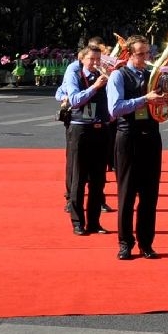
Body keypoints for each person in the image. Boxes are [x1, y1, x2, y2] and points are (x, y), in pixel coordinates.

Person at [107, 34, 168, 260]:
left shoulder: (157, 74)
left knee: (150, 194)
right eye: (140, 54)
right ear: (129, 54)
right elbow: (115, 109)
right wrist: (145, 99)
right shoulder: (118, 76)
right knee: (127, 194)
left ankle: (146, 243)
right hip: (128, 137)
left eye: (148, 54)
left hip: (151, 136)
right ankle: (125, 243)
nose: (145, 58)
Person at [62, 45, 111, 236]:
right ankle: (77, 222)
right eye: (92, 59)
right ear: (82, 59)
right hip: (80, 129)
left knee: (98, 180)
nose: (96, 63)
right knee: (79, 178)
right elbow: (74, 99)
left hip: (101, 129)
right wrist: (95, 86)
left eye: (98, 59)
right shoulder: (74, 74)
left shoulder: (105, 76)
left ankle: (94, 222)